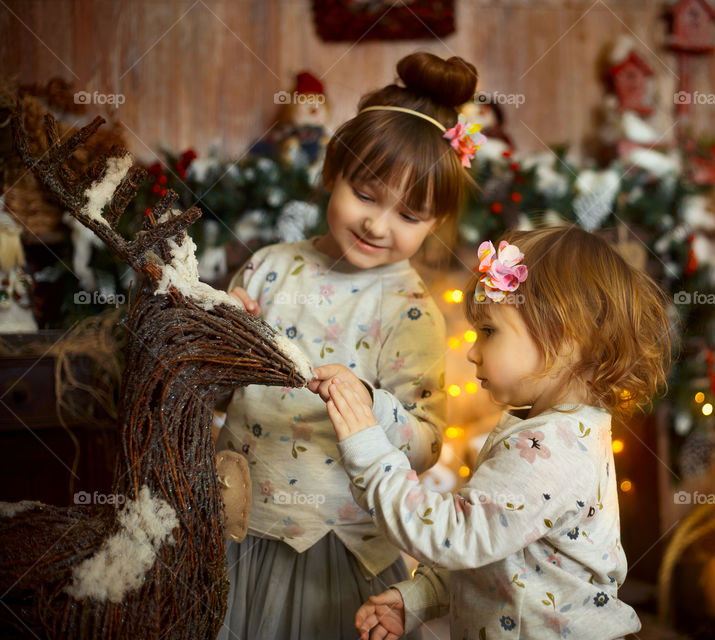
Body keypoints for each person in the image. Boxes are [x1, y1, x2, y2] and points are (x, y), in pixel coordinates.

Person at [215, 51, 485, 639]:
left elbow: (426, 444)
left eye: (410, 214)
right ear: (332, 172)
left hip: (344, 546)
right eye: (366, 194)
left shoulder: (410, 312)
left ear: (434, 223)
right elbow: (212, 387)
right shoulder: (267, 270)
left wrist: (367, 404)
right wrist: (220, 334)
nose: (378, 225)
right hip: (243, 527)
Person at [327, 226, 673, 639]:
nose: (472, 351)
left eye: (489, 331)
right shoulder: (548, 430)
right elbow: (500, 552)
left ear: (566, 337)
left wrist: (367, 448)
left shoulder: (550, 449)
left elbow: (454, 533)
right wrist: (422, 596)